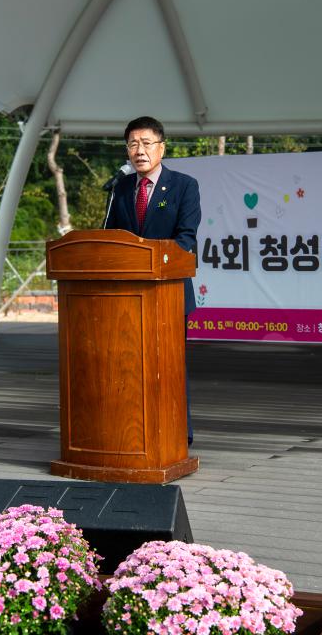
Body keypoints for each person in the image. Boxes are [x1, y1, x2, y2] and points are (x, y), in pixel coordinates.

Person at [103, 115, 200, 444]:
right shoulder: (122, 187)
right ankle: (133, 434)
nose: (139, 150)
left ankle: (177, 434)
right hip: (127, 297)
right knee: (129, 368)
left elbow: (186, 239)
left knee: (170, 369)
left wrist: (153, 260)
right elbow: (111, 239)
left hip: (168, 294)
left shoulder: (184, 186)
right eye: (132, 144)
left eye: (146, 143)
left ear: (162, 147)